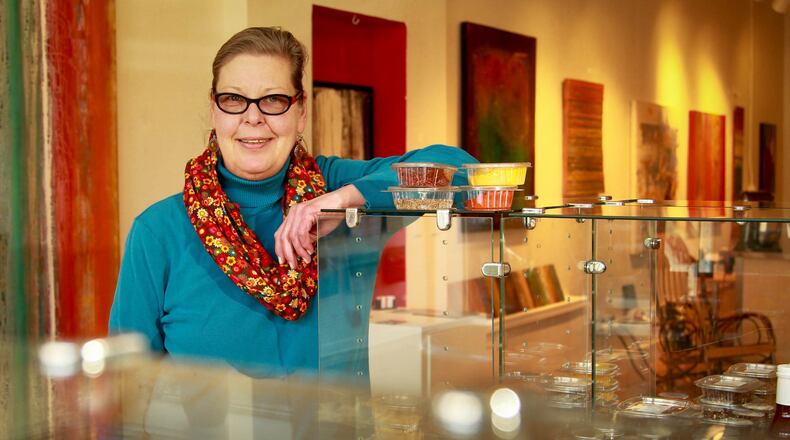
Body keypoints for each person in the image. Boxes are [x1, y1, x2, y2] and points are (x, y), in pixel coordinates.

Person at [108, 27, 476, 376]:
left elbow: (465, 171)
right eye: (234, 99)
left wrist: (345, 200)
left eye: (273, 100)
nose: (253, 118)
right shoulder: (158, 231)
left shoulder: (334, 187)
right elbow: (125, 384)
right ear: (214, 110)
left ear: (301, 114)